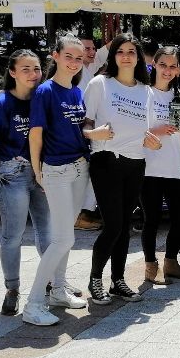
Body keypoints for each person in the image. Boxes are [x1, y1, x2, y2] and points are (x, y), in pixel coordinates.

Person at [83, 32, 159, 305]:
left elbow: (144, 130)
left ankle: (118, 280)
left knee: (125, 225)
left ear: (138, 57)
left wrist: (152, 142)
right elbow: (84, 124)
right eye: (120, 51)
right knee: (113, 225)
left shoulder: (146, 91)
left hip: (135, 162)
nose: (126, 56)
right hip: (106, 162)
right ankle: (95, 279)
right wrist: (94, 135)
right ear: (113, 55)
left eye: (131, 51)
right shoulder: (100, 84)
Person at [24, 38, 93, 324]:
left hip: (79, 168)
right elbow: (35, 133)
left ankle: (59, 291)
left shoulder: (77, 91)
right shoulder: (45, 91)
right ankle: (33, 303)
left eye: (79, 58)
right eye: (69, 56)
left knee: (64, 237)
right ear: (56, 56)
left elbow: (79, 130)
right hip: (56, 170)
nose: (74, 62)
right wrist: (38, 170)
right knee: (64, 238)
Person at [0, 51, 50, 316]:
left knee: (48, 232)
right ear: (13, 72)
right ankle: (12, 289)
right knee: (12, 236)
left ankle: (52, 283)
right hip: (11, 173)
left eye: (37, 68)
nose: (33, 74)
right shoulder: (1, 103)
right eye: (26, 69)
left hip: (43, 173)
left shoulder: (43, 98)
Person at [141, 47, 180, 283]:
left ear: (179, 69)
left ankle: (171, 262)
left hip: (174, 167)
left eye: (173, 66)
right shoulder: (144, 93)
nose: (168, 70)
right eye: (163, 65)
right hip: (149, 168)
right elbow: (133, 130)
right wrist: (157, 131)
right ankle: (150, 266)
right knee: (151, 219)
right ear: (154, 65)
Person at [73, 35, 105, 231]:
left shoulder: (88, 70)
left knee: (88, 175)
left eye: (93, 48)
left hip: (87, 131)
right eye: (87, 49)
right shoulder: (77, 72)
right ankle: (80, 215)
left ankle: (84, 213)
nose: (92, 52)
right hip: (78, 132)